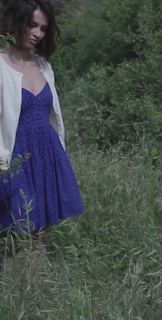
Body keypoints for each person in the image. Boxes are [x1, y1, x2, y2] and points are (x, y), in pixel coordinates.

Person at [0, 0, 84, 283]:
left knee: (40, 230)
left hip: (46, 154)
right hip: (14, 157)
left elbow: (53, 116)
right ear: (15, 20)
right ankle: (14, 304)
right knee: (18, 229)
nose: (37, 33)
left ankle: (36, 301)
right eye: (32, 24)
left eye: (43, 28)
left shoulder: (43, 66)